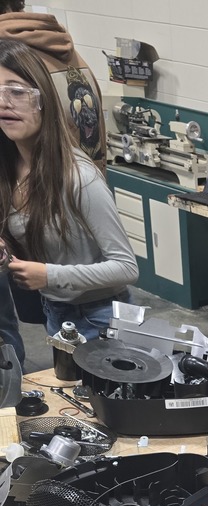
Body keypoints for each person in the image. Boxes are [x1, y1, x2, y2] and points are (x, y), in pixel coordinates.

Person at [0, 40, 137, 352]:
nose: (5, 103)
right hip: (58, 313)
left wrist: (49, 275)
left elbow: (127, 267)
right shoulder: (10, 168)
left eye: (17, 92)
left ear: (43, 99)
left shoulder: (79, 178)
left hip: (103, 317)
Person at [0, 1, 108, 367]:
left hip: (60, 212)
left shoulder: (14, 60)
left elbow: (123, 267)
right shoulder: (70, 54)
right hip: (52, 231)